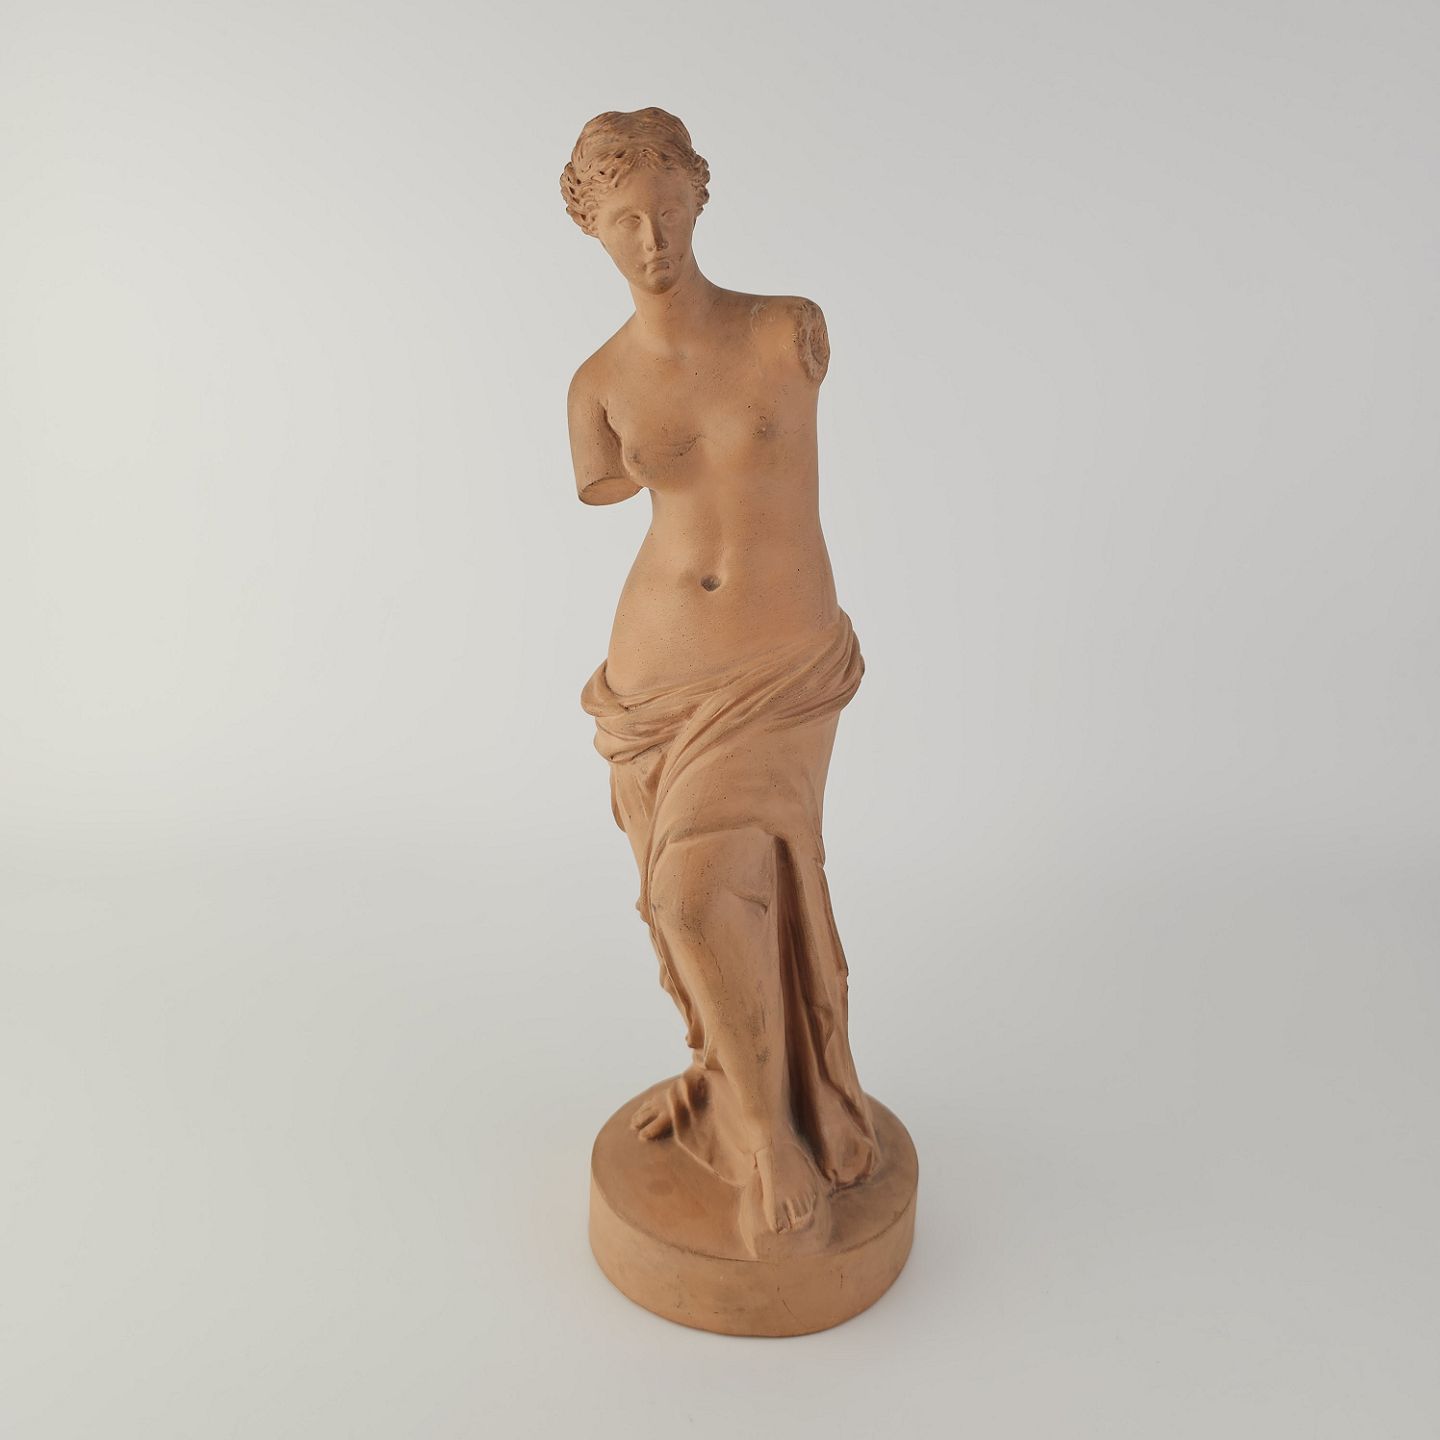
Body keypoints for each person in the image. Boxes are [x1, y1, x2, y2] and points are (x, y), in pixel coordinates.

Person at [562, 108, 879, 1252]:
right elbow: (620, 494)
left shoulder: (786, 330)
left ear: (700, 194)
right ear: (592, 231)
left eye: (667, 210)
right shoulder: (596, 387)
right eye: (623, 222)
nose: (651, 241)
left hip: (781, 666)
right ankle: (740, 1096)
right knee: (683, 904)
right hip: (654, 685)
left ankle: (773, 1136)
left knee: (703, 897)